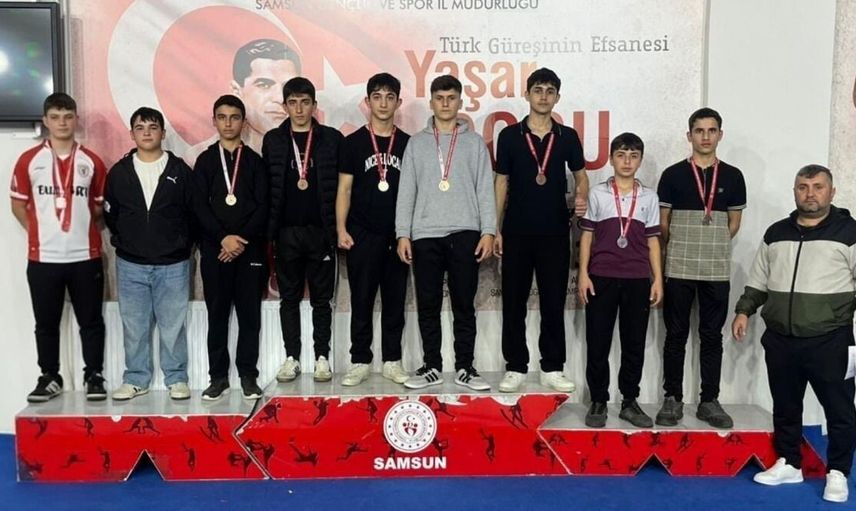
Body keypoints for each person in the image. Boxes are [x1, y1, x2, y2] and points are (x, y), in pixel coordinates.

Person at [732, 164, 856, 503]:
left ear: (832, 192)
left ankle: (838, 472)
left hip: (830, 339)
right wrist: (743, 310)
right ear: (795, 192)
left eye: (818, 186)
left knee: (840, 410)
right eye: (803, 187)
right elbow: (759, 279)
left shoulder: (849, 233)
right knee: (786, 405)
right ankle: (790, 462)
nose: (810, 193)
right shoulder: (776, 232)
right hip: (781, 338)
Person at [395, 74, 496, 390]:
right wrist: (402, 233)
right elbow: (406, 191)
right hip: (425, 234)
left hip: (465, 232)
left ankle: (466, 367)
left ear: (460, 102)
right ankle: (432, 366)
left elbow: (485, 189)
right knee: (428, 305)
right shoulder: (417, 143)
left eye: (451, 98)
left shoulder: (474, 143)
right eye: (440, 98)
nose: (445, 104)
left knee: (464, 304)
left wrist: (489, 230)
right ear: (431, 102)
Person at [494, 67, 588, 393]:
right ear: (527, 95)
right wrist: (495, 229)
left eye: (550, 91)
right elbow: (501, 182)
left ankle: (552, 367)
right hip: (516, 232)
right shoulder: (509, 136)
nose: (543, 96)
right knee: (514, 303)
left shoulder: (567, 137)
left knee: (552, 303)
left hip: (555, 233)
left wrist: (582, 196)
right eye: (538, 90)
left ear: (557, 97)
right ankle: (515, 366)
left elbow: (582, 176)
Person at [11, 93, 108, 402]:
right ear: (45, 121)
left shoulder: (91, 161)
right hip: (44, 258)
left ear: (76, 120)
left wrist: (76, 231)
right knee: (46, 323)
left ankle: (94, 375)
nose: (62, 123)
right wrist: (42, 234)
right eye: (55, 117)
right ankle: (50, 376)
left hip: (85, 256)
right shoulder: (29, 160)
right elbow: (18, 206)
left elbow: (97, 208)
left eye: (67, 117)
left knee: (91, 321)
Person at [655, 107, 746, 429]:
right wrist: (685, 245)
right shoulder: (672, 175)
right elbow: (663, 224)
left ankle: (709, 400)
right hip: (678, 266)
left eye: (711, 130)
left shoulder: (733, 176)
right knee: (675, 335)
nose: (705, 137)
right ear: (689, 135)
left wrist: (710, 244)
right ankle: (672, 398)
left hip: (716, 269)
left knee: (711, 336)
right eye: (699, 131)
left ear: (720, 134)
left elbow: (733, 224)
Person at [104, 107, 200, 401]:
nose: (146, 132)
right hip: (131, 264)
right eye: (140, 127)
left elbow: (193, 213)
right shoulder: (119, 172)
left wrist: (181, 245)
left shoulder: (180, 171)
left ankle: (176, 378)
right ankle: (136, 379)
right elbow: (111, 214)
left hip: (173, 263)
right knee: (134, 327)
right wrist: (126, 241)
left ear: (163, 133)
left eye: (153, 127)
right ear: (132, 134)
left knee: (173, 327)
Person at [578, 133, 663, 427]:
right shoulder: (598, 194)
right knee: (597, 342)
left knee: (634, 343)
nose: (627, 161)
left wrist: (657, 279)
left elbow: (653, 241)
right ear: (612, 159)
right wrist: (583, 274)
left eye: (633, 156)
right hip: (601, 277)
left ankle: (629, 401)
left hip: (637, 278)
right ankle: (598, 401)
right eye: (621, 155)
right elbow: (586, 236)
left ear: (640, 160)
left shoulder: (650, 197)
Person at [264, 77, 343, 383]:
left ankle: (322, 356)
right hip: (286, 233)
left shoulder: (331, 139)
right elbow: (270, 188)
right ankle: (292, 358)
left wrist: (337, 229)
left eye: (305, 102)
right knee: (289, 299)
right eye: (293, 103)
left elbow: (342, 187)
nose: (299, 109)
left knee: (322, 300)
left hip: (321, 232)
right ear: (285, 106)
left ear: (314, 105)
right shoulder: (273, 140)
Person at [337, 73, 411, 386]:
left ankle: (392, 360)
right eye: (377, 97)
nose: (383, 103)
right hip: (362, 232)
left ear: (398, 102)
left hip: (397, 235)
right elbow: (344, 189)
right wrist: (341, 228)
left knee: (395, 301)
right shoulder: (352, 143)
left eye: (389, 97)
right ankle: (360, 360)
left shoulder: (408, 143)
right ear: (367, 102)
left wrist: (408, 232)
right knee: (362, 300)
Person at [193, 95, 268, 400]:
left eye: (234, 117)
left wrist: (239, 240)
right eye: (222, 117)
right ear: (214, 121)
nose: (228, 123)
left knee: (250, 317)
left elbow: (263, 206)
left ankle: (248, 376)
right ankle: (218, 377)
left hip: (249, 250)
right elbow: (198, 206)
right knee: (217, 315)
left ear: (243, 122)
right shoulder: (205, 161)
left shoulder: (255, 162)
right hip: (216, 251)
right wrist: (223, 238)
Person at [184, 39, 302, 167]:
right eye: (264, 85)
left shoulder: (312, 150)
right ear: (237, 91)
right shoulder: (199, 158)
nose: (280, 98)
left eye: (289, 86)